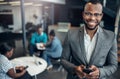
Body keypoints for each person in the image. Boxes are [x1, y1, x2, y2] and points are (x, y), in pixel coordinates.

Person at [60, 0, 118, 79]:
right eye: (88, 13)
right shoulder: (71, 34)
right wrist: (74, 69)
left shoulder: (111, 37)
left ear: (101, 16)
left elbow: (113, 65)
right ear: (83, 14)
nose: (92, 18)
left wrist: (100, 72)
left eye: (96, 14)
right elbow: (63, 60)